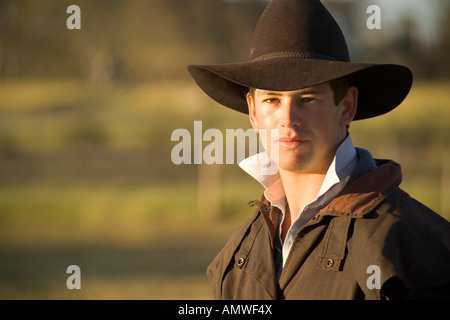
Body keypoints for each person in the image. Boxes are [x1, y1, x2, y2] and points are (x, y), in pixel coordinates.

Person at [187, 0, 450, 299]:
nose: (288, 119)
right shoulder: (237, 257)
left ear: (346, 107)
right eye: (272, 100)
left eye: (308, 99)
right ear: (253, 112)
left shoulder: (413, 249)